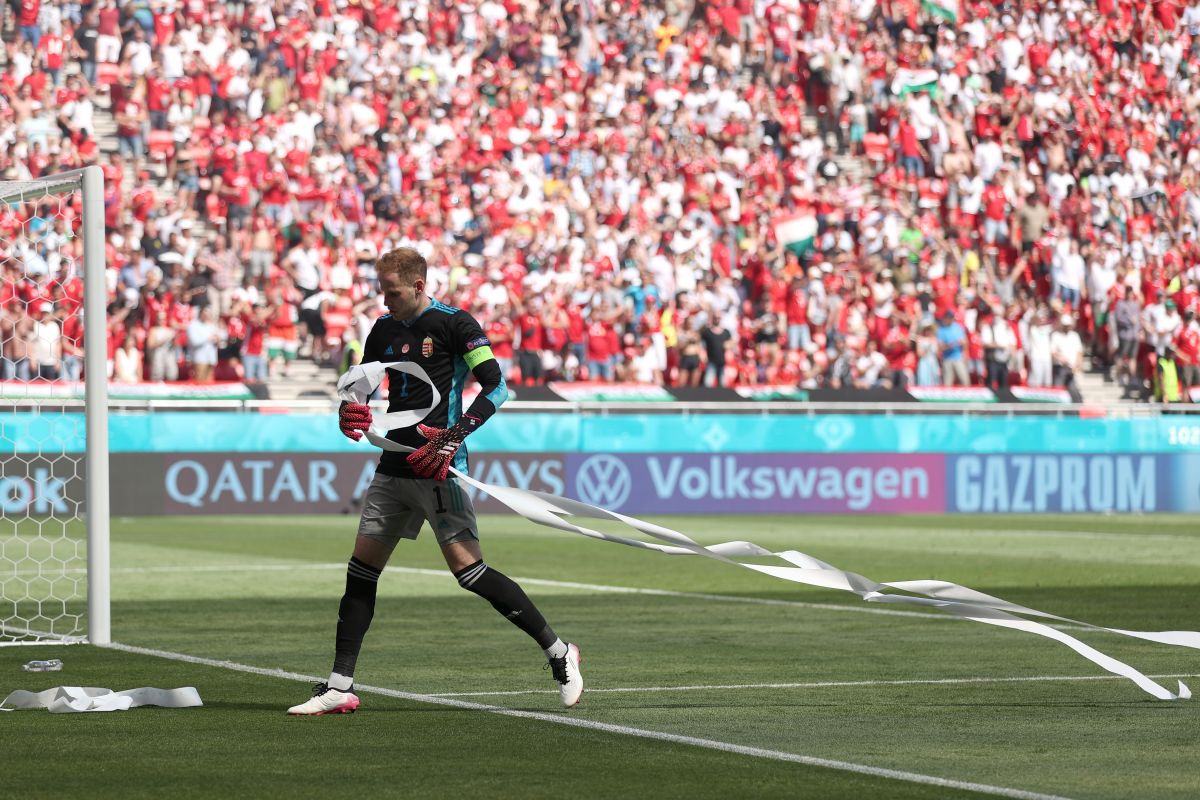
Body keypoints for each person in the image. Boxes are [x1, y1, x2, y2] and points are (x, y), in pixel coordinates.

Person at [288, 248, 582, 716]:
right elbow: (362, 385)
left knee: (470, 574)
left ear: (420, 286)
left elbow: (497, 386)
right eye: (382, 291)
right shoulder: (383, 328)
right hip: (394, 464)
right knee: (361, 572)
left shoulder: (456, 324)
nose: (385, 302)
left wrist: (455, 435)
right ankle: (340, 685)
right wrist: (349, 409)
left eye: (393, 292)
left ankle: (559, 651)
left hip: (438, 466)